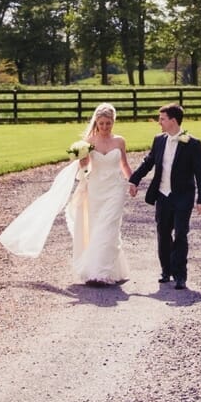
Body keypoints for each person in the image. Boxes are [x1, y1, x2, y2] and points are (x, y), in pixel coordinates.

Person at [128, 104, 201, 289]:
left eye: (162, 119)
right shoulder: (159, 140)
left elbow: (199, 173)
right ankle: (166, 270)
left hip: (183, 196)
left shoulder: (193, 143)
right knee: (163, 234)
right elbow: (149, 162)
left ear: (173, 120)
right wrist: (134, 180)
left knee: (180, 234)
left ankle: (180, 275)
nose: (159, 122)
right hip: (162, 195)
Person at [64, 102, 133, 285]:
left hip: (115, 188)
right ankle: (102, 268)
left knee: (108, 226)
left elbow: (124, 164)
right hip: (96, 189)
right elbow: (85, 166)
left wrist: (132, 181)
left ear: (113, 122)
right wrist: (81, 161)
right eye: (101, 123)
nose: (104, 127)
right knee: (97, 228)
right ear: (96, 122)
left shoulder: (120, 141)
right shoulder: (89, 141)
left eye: (108, 123)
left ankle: (100, 273)